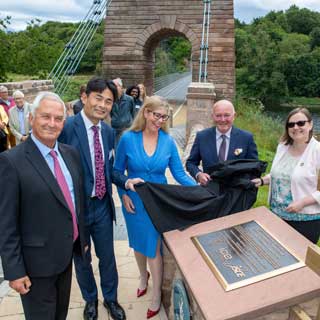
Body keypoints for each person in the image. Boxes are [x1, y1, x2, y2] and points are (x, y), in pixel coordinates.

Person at [59, 77, 142, 320]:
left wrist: (125, 181)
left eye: (108, 101)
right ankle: (90, 300)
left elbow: (108, 169)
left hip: (102, 205)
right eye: (98, 98)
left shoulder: (107, 131)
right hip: (77, 210)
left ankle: (111, 299)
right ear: (84, 97)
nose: (103, 105)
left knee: (107, 257)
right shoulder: (66, 128)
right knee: (82, 259)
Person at [0, 91, 86, 319]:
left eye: (58, 118)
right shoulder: (11, 162)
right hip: (35, 266)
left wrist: (82, 240)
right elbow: (5, 222)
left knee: (60, 315)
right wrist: (14, 271)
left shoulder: (71, 154)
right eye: (45, 116)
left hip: (65, 257)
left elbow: (77, 203)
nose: (52, 123)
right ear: (31, 118)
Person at [114, 96, 196, 319]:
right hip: (134, 199)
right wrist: (123, 195)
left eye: (164, 117)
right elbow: (117, 171)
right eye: (156, 115)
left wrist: (198, 189)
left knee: (153, 246)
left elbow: (179, 174)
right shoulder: (128, 139)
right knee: (138, 244)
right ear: (146, 113)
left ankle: (157, 296)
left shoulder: (168, 142)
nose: (159, 120)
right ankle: (143, 277)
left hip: (159, 201)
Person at [252, 108, 320, 244]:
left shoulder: (317, 151)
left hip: (305, 220)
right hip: (277, 216)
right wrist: (261, 181)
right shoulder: (282, 147)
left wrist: (302, 203)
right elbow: (280, 175)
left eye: (301, 123)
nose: (296, 127)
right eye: (291, 124)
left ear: (310, 125)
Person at [186, 99, 258, 185]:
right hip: (210, 192)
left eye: (227, 115)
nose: (223, 119)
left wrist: (245, 185)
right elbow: (190, 163)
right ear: (212, 116)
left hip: (236, 193)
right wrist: (198, 174)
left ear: (234, 116)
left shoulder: (246, 138)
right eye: (218, 115)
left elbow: (254, 167)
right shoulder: (202, 137)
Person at [110, 78, 135, 146]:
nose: (113, 88)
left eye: (115, 86)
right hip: (114, 129)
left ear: (121, 87)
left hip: (126, 129)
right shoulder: (110, 99)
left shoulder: (129, 99)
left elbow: (133, 113)